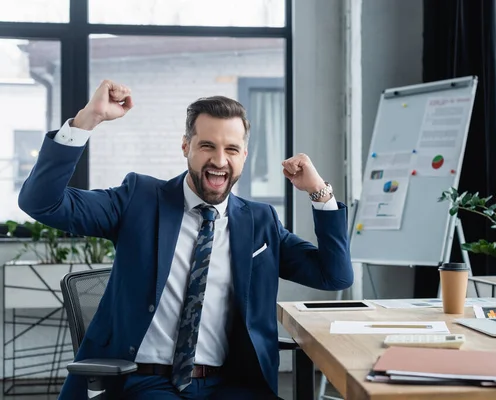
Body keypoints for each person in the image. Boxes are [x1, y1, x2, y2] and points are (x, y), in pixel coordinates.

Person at [18, 80, 353, 399]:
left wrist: (319, 193)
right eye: (207, 145)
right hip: (146, 381)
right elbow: (43, 202)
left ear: (244, 156)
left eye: (231, 149)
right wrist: (87, 120)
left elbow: (333, 275)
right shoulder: (139, 199)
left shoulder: (258, 221)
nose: (220, 161)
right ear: (185, 147)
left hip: (231, 384)